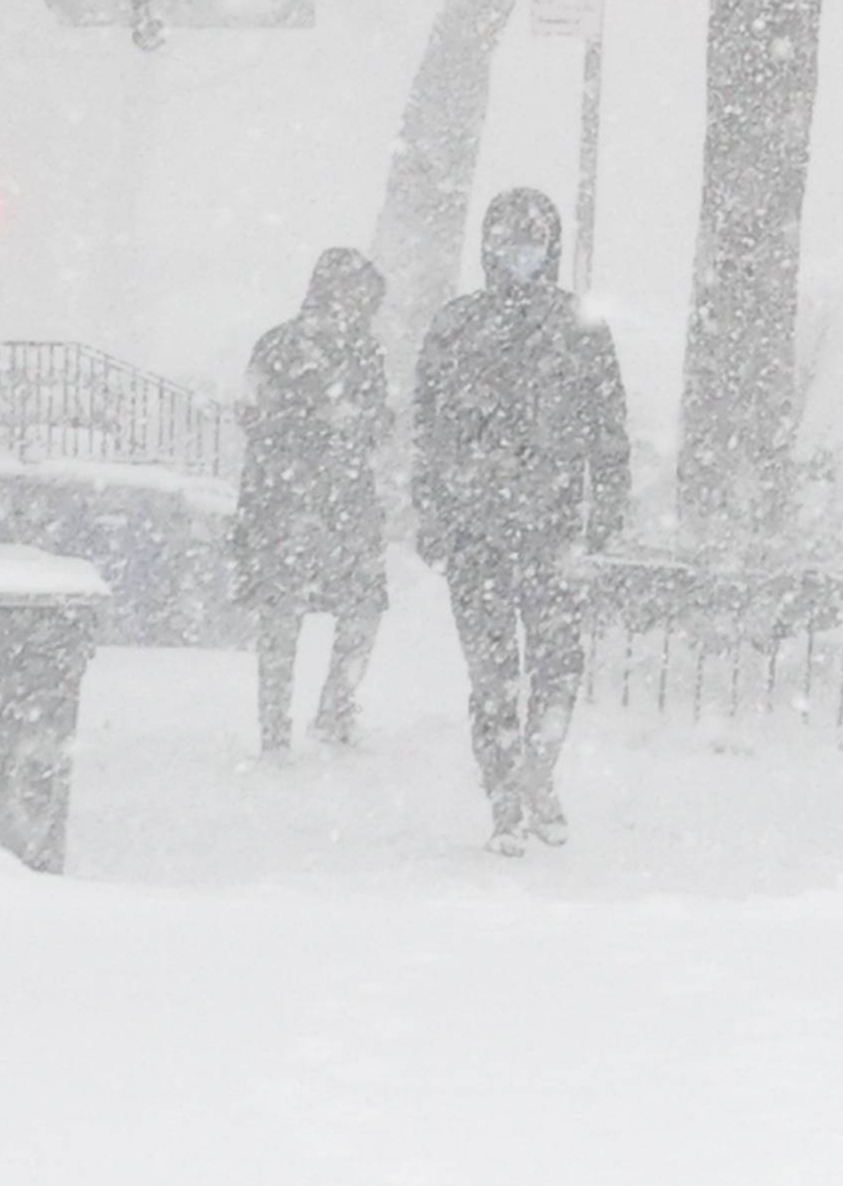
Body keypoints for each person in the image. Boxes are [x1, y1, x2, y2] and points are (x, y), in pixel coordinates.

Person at [412, 185, 630, 854]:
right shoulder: (456, 325)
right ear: (488, 246)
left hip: (553, 526)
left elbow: (608, 424)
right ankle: (505, 794)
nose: (519, 254)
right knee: (493, 672)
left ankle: (538, 774)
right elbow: (429, 429)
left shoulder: (580, 326)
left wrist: (607, 505)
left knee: (558, 664)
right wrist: (432, 510)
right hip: (476, 527)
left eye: (532, 241)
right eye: (508, 241)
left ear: (550, 248)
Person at [232, 247, 393, 754]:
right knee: (347, 608)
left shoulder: (295, 346)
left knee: (292, 615)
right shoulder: (319, 349)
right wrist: (325, 420)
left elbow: (251, 411)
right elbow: (254, 414)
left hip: (293, 499)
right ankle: (323, 713)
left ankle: (285, 723)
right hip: (320, 501)